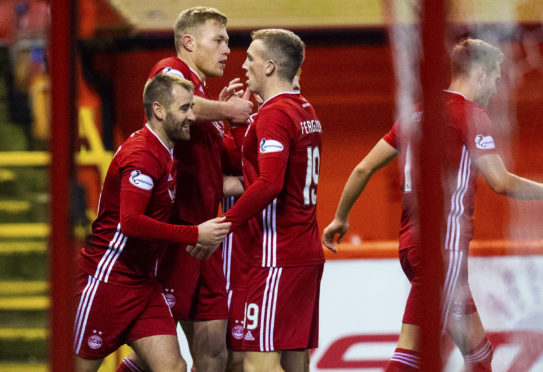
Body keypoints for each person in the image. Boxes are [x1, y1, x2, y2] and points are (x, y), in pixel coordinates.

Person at [322, 38, 543, 371]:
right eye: (496, 79)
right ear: (480, 73)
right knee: (412, 353)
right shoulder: (471, 115)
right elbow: (501, 182)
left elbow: (363, 167)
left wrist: (340, 218)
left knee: (479, 352)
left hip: (411, 248)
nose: (495, 89)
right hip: (443, 251)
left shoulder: (417, 113)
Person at [118, 6, 253, 372]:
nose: (228, 49)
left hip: (205, 239)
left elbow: (212, 166)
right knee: (158, 359)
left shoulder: (205, 97)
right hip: (177, 239)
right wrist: (227, 109)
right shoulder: (169, 71)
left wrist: (242, 182)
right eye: (219, 39)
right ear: (189, 42)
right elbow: (187, 105)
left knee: (215, 356)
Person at [73, 74, 232, 372]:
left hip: (143, 283)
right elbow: (131, 222)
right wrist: (195, 233)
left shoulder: (165, 150)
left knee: (172, 367)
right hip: (107, 280)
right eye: (185, 108)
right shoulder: (143, 155)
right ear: (159, 110)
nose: (192, 116)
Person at [188, 28, 324, 372]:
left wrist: (223, 226)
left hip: (276, 256)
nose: (243, 63)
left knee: (255, 364)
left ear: (270, 66)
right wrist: (236, 124)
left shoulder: (275, 115)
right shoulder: (304, 109)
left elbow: (268, 183)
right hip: (302, 250)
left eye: (251, 57)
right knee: (295, 361)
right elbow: (258, 163)